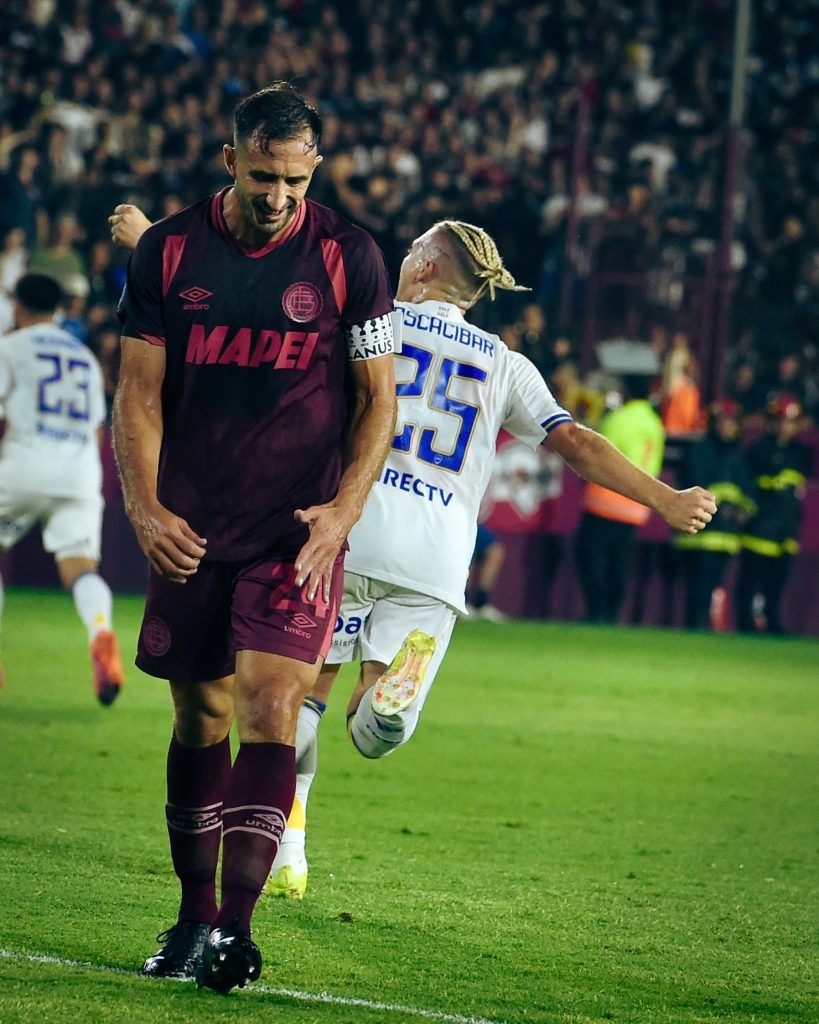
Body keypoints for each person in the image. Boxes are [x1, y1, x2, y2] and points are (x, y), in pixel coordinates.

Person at [112, 214, 716, 903]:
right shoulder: (505, 363)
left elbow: (255, 304)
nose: (402, 259)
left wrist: (153, 241)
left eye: (411, 252)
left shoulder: (373, 322)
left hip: (344, 529)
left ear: (425, 267)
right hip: (436, 556)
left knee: (293, 701)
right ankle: (382, 712)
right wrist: (666, 499)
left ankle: (289, 844)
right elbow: (574, 442)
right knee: (370, 733)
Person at [112, 83, 396, 992]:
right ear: (231, 160)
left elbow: (377, 400)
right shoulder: (168, 251)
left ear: (315, 168)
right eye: (262, 176)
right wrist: (145, 509)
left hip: (294, 530)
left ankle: (234, 931)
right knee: (198, 717)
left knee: (270, 707)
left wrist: (343, 511)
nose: (277, 197)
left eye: (294, 180)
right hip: (191, 526)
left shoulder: (351, 256)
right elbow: (138, 395)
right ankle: (192, 916)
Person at [0, 272, 124, 702]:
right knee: (81, 569)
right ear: (56, 309)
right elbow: (97, 429)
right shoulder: (84, 357)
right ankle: (101, 630)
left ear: (18, 307)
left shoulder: (10, 348)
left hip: (24, 462)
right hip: (79, 472)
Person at [574, 374, 667, 624]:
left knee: (591, 556)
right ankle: (613, 612)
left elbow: (600, 455)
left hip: (605, 499)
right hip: (637, 504)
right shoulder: (654, 423)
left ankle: (596, 611)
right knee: (620, 562)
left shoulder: (620, 418)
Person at [672, 399, 756, 630]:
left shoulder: (737, 456)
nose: (727, 426)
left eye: (732, 422)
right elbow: (697, 488)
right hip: (698, 536)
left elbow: (748, 493)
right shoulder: (700, 451)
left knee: (709, 590)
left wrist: (743, 511)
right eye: (723, 421)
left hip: (725, 537)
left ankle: (699, 627)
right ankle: (695, 627)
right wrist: (724, 505)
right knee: (697, 591)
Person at [735, 395, 812, 634]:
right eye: (780, 420)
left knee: (777, 580)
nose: (785, 426)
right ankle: (745, 622)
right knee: (751, 577)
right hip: (759, 524)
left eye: (790, 421)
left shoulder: (801, 454)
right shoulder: (758, 450)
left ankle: (773, 619)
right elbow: (747, 486)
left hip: (785, 527)